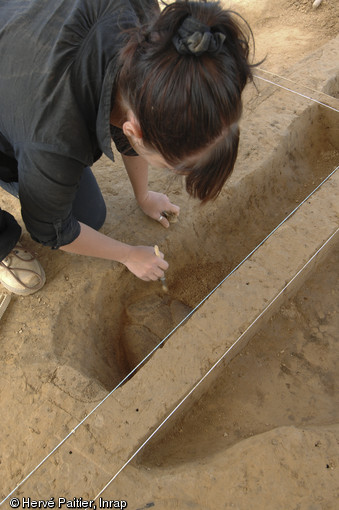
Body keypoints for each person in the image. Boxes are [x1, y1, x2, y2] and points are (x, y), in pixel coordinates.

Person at [0, 0, 255, 296]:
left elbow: (128, 106)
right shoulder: (53, 140)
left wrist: (143, 195)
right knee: (63, 213)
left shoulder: (161, 42)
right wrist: (128, 254)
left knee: (89, 217)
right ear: (136, 130)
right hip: (23, 87)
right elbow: (50, 229)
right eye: (175, 165)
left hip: (26, 39)